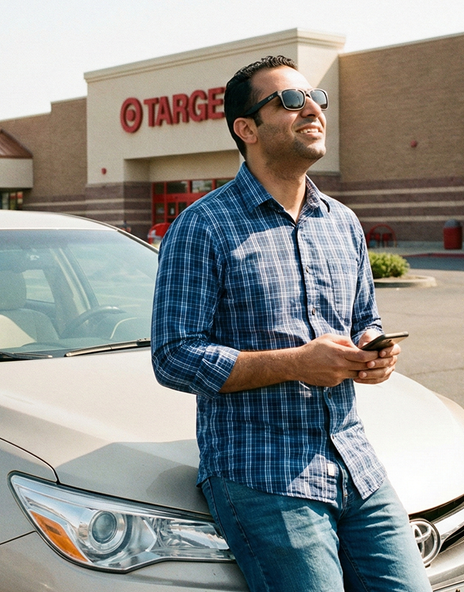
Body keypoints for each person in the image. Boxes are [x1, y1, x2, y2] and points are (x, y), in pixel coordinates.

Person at [151, 55, 432, 592]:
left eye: (316, 98)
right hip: (262, 473)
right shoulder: (202, 226)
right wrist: (298, 364)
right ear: (246, 128)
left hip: (354, 461)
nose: (313, 111)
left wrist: (374, 350)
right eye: (290, 100)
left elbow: (363, 318)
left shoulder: (343, 223)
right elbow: (173, 355)